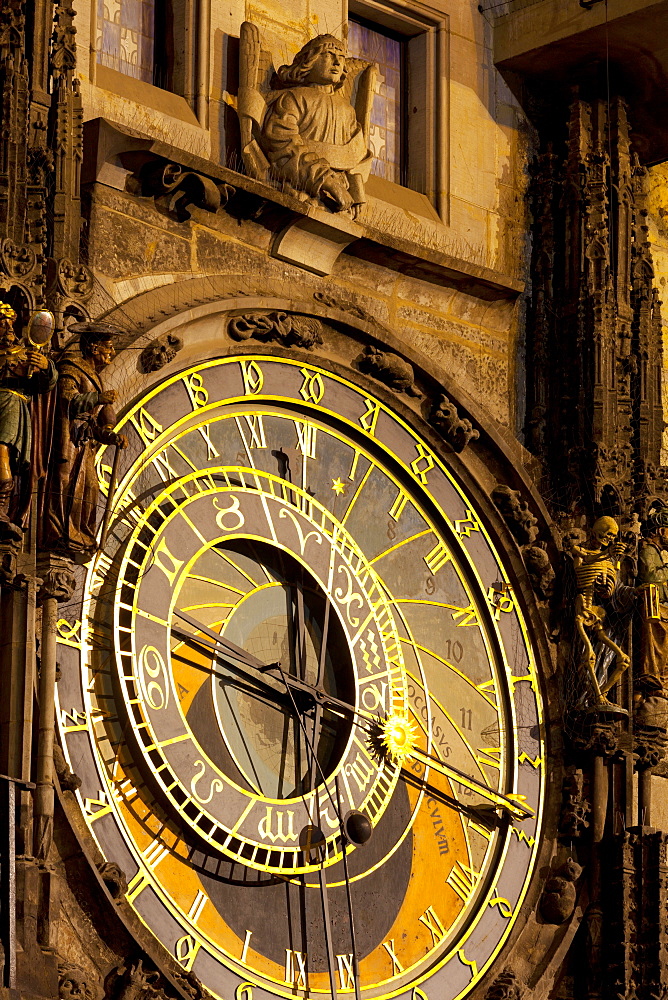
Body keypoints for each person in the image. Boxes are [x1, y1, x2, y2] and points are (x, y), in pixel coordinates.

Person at [259, 34, 372, 218]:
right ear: (308, 62)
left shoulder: (347, 111)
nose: (337, 63)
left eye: (341, 57)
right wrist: (325, 180)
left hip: (341, 201)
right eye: (328, 55)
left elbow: (355, 155)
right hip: (300, 189)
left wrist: (356, 192)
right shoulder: (294, 98)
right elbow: (283, 146)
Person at [44, 321, 127, 558]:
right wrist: (98, 397)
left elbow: (100, 420)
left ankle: (81, 533)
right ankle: (60, 531)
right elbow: (67, 399)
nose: (111, 352)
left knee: (91, 487)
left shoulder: (96, 378)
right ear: (93, 347)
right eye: (108, 347)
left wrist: (111, 435)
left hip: (85, 441)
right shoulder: (71, 368)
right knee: (65, 482)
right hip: (68, 436)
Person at [0, 301, 57, 534]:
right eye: (1, 324)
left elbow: (46, 384)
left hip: (11, 405)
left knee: (3, 452)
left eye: (9, 323)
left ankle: (1, 509)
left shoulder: (24, 352)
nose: (7, 328)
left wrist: (45, 366)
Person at [637, 504, 668, 696]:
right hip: (652, 606)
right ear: (661, 530)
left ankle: (661, 677)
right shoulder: (648, 550)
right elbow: (650, 577)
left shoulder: (656, 552)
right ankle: (653, 675)